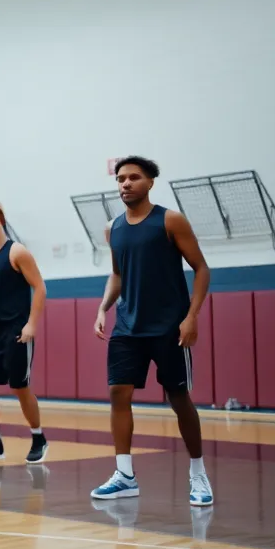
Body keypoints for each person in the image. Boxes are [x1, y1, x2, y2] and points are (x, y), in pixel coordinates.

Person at [92, 156, 212, 505]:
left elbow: (202, 269)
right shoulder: (112, 227)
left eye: (133, 178)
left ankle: (198, 474)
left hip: (168, 327)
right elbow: (118, 273)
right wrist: (103, 308)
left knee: (178, 399)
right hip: (128, 326)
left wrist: (191, 317)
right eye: (120, 179)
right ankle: (125, 475)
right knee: (118, 393)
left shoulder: (170, 220)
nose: (125, 184)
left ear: (150, 183)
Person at [0, 200, 49, 463]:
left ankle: (39, 437)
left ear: (0, 220)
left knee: (20, 387)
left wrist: (31, 324)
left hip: (16, 331)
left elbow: (39, 287)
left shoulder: (17, 252)